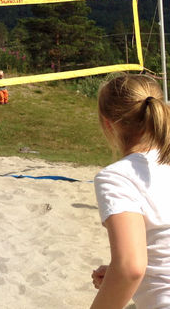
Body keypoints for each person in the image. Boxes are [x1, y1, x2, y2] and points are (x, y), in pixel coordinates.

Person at [90, 74, 170, 308]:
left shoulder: (117, 177)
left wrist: (121, 273)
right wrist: (116, 274)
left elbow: (130, 268)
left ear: (108, 124)